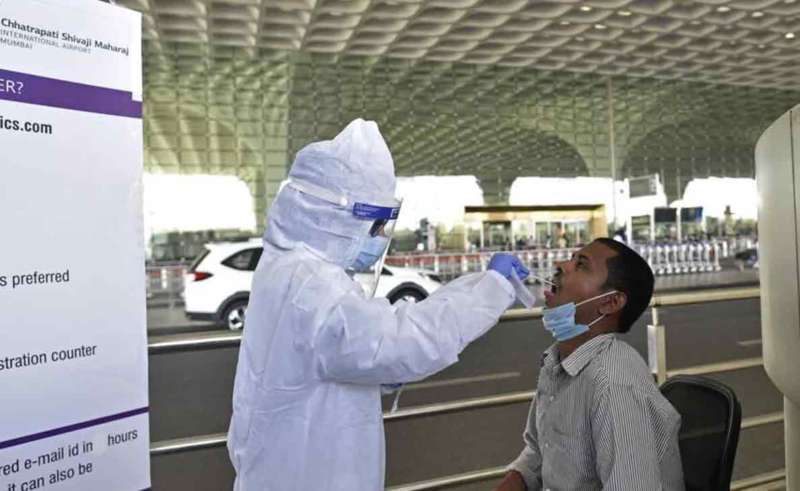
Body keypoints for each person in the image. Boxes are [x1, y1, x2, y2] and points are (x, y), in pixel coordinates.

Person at [227, 119, 530, 491]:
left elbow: (336, 354)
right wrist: (490, 288)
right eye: (374, 225)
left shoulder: (289, 267)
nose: (378, 238)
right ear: (334, 216)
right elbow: (403, 339)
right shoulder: (313, 286)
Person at [495, 238, 684, 491]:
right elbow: (541, 452)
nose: (561, 265)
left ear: (610, 302)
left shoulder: (613, 383)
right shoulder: (556, 363)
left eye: (581, 265)